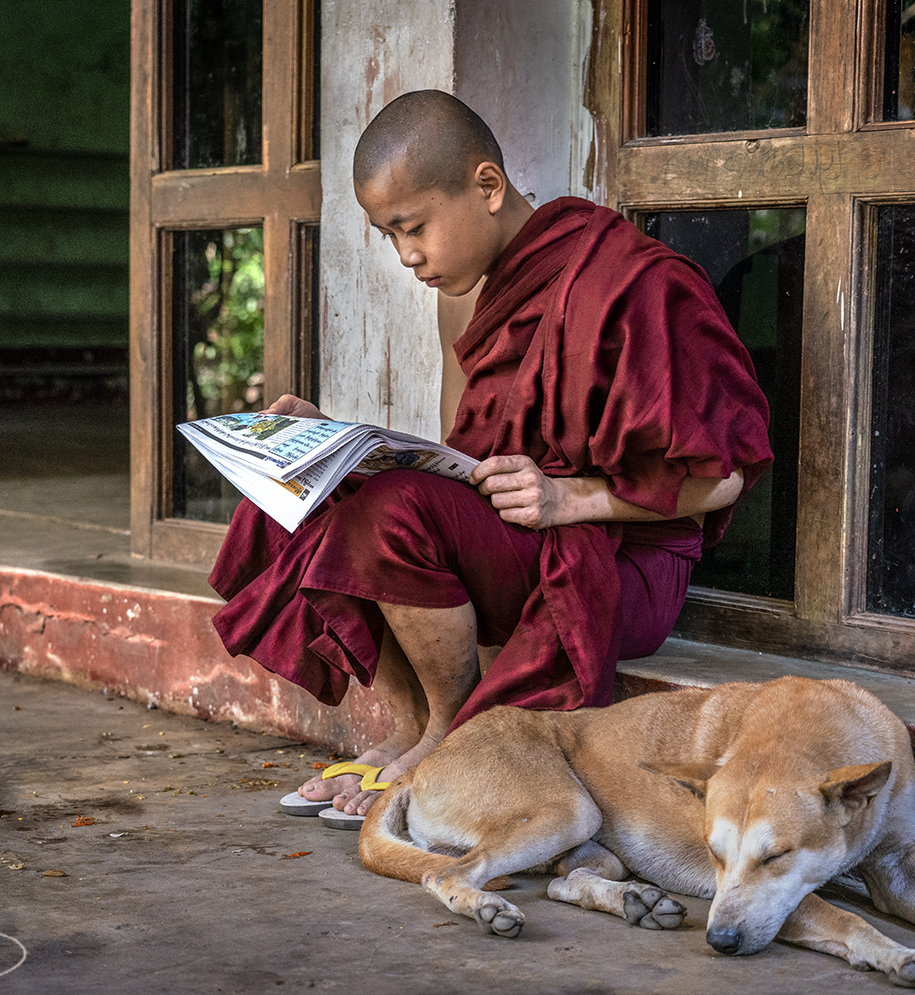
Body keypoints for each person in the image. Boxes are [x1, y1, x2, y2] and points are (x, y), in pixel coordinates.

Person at [209, 90, 773, 819]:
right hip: (521, 538)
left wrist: (571, 499)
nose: (407, 256)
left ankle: (450, 733)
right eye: (388, 236)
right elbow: (467, 460)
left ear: (486, 185)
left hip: (620, 563)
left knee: (392, 515)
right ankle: (408, 728)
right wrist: (337, 447)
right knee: (317, 496)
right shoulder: (463, 297)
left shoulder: (635, 281)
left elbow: (723, 476)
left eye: (413, 228)